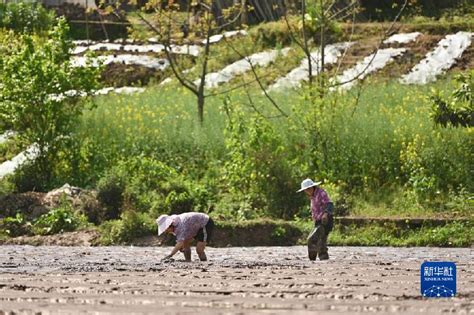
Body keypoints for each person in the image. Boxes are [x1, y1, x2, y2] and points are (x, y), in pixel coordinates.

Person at [297, 178, 334, 261]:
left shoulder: (321, 193)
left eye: (307, 189)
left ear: (311, 188)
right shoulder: (313, 196)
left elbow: (329, 204)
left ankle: (313, 259)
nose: (306, 192)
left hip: (325, 220)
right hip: (318, 221)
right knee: (321, 242)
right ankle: (323, 259)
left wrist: (325, 214)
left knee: (312, 239)